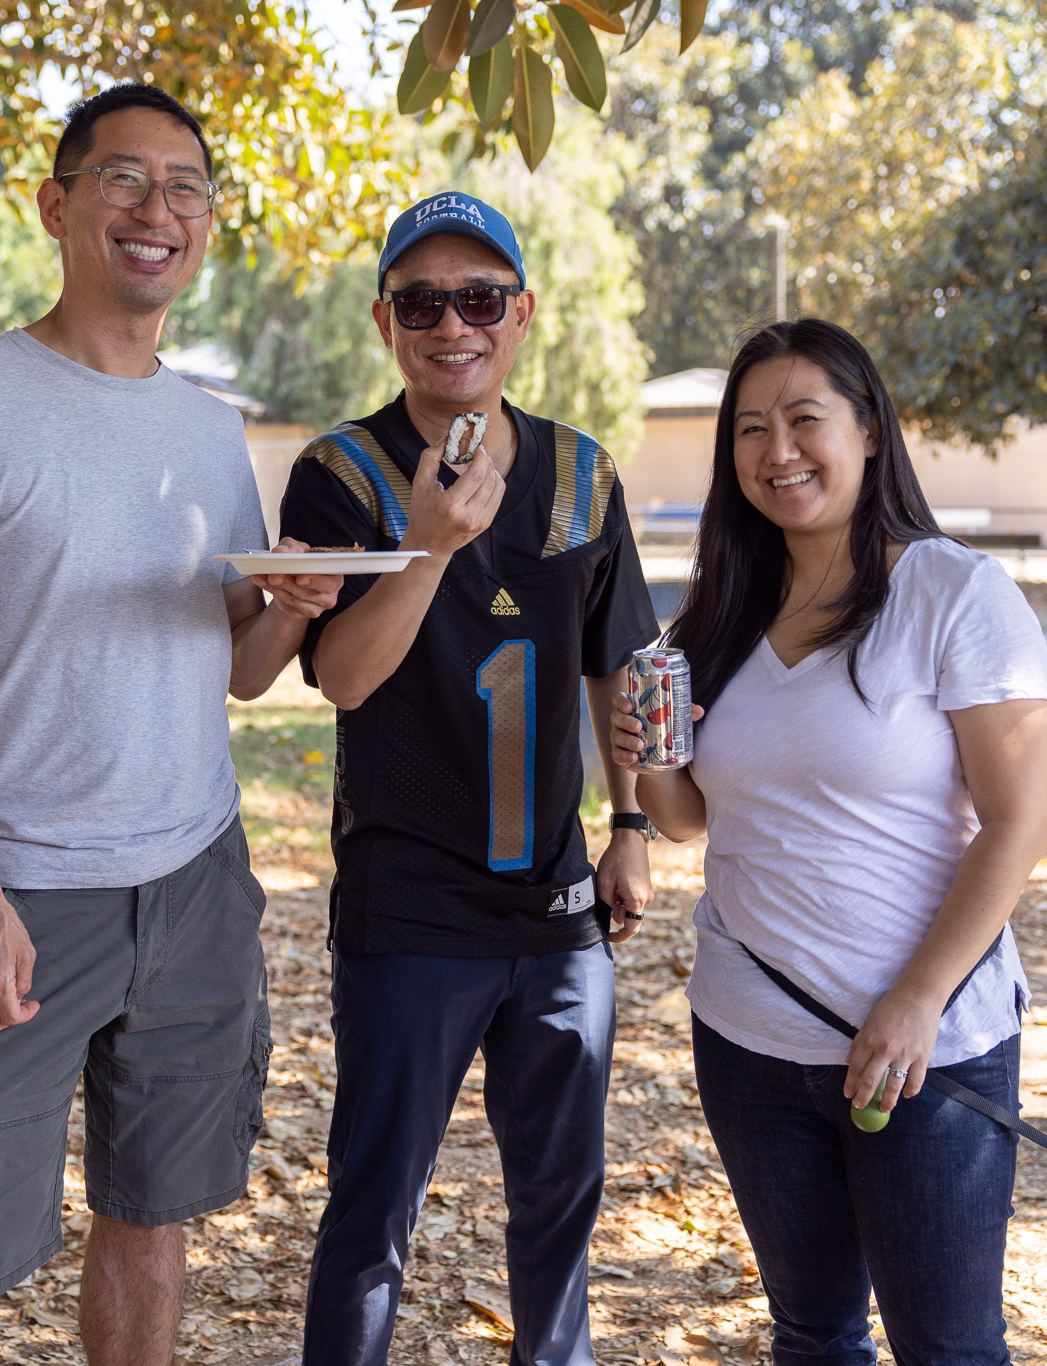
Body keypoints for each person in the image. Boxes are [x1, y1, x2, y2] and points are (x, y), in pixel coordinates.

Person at [0, 83, 341, 1366]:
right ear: (56, 204)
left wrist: (291, 606)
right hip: (25, 889)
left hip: (194, 885)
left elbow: (237, 671)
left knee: (151, 1220)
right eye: (124, 180)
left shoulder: (208, 430)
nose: (156, 211)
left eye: (185, 188)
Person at [611, 319, 1047, 1364]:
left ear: (866, 430)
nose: (778, 452)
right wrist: (648, 758)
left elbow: (1018, 819)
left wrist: (916, 1000)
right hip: (747, 1036)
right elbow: (689, 820)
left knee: (944, 1345)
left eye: (804, 420)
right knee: (811, 1334)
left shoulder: (953, 594)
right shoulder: (717, 612)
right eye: (750, 430)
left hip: (918, 1049)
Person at [277, 191, 661, 1366]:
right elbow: (339, 677)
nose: (453, 324)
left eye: (478, 298)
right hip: (409, 914)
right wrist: (429, 545)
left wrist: (630, 823)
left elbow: (617, 667)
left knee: (559, 1208)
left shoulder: (581, 475)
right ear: (385, 319)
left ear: (521, 314)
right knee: (372, 1214)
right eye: (421, 301)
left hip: (554, 918)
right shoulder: (340, 472)